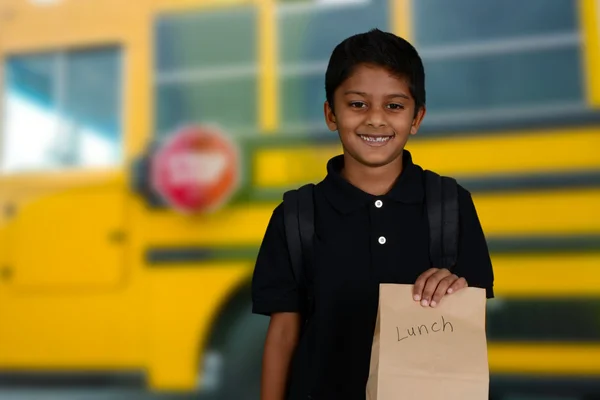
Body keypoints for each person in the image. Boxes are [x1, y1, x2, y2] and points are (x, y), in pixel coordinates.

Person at [251, 28, 494, 400]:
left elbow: (470, 323)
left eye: (394, 106)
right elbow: (284, 334)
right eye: (357, 104)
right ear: (331, 114)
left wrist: (453, 287)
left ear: (417, 118)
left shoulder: (451, 205)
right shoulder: (296, 215)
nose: (376, 120)